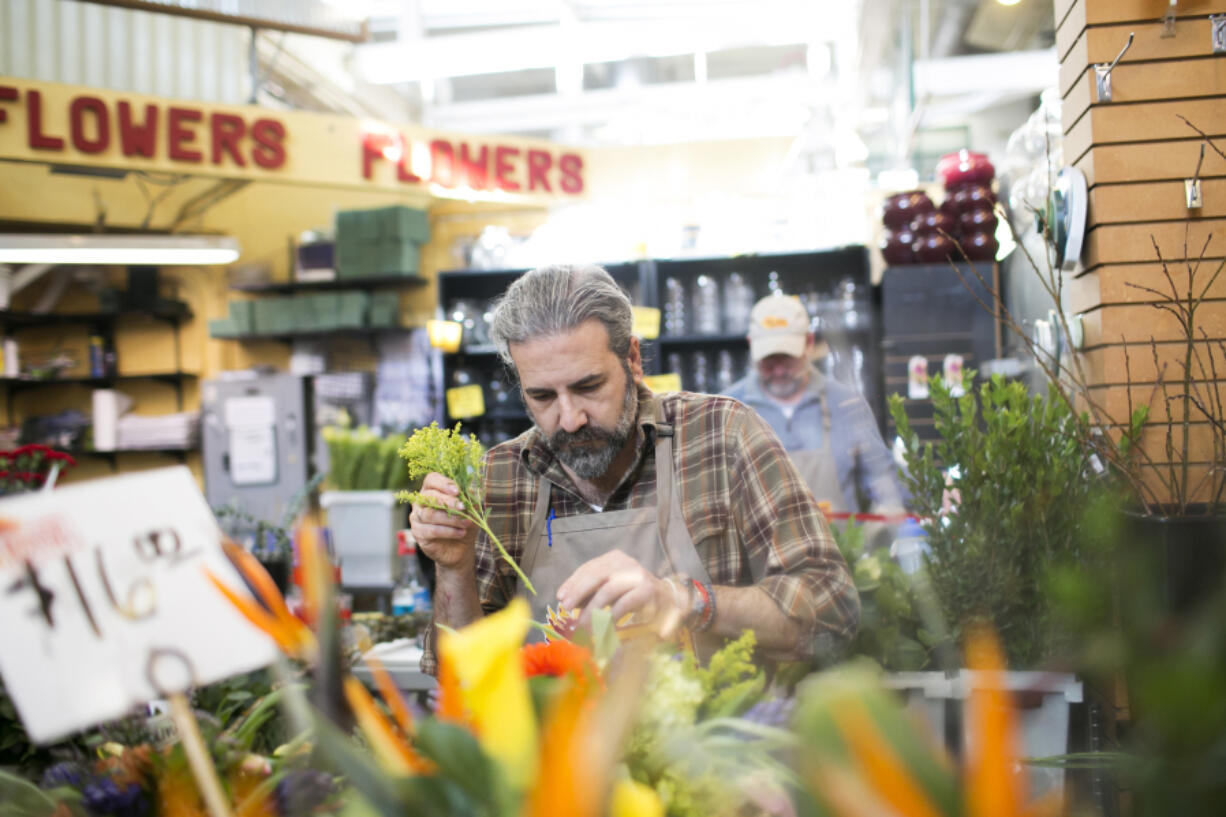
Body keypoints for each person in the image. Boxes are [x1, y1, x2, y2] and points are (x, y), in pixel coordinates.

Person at [410, 264, 858, 674]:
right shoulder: (503, 476)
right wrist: (453, 568)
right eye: (542, 397)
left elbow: (832, 612)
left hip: (719, 756)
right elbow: (463, 675)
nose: (569, 419)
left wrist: (686, 600)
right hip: (562, 760)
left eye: (589, 386)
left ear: (633, 360)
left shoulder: (722, 437)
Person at [724, 292, 905, 522]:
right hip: (759, 558)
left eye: (787, 358)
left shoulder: (846, 405)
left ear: (809, 343)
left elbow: (884, 480)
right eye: (769, 361)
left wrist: (937, 492)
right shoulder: (726, 411)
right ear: (751, 346)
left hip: (842, 555)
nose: (779, 371)